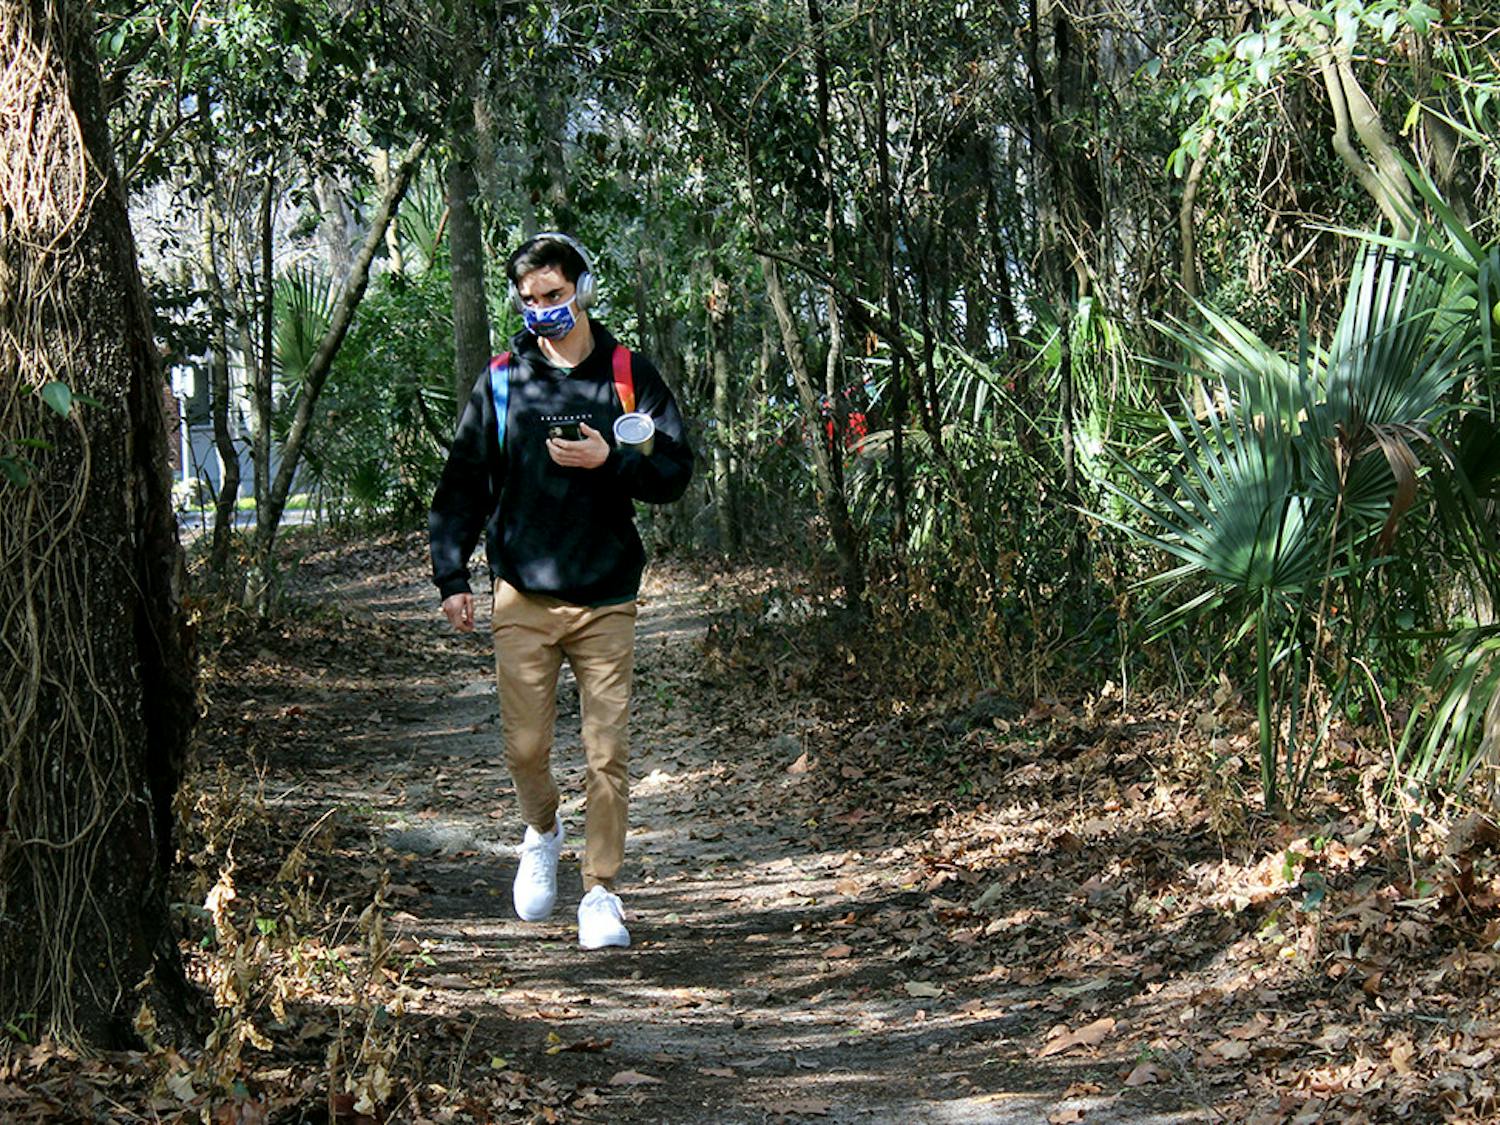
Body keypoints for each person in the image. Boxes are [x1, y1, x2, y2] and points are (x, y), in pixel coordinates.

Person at [428, 232, 692, 949]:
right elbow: (463, 484)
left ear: (583, 287)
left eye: (554, 294)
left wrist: (614, 460)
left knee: (607, 752)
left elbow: (675, 471)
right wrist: (452, 574)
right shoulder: (505, 380)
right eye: (530, 299)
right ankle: (543, 828)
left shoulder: (626, 372)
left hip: (607, 592)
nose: (543, 309)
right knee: (525, 746)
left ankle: (601, 890)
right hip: (523, 593)